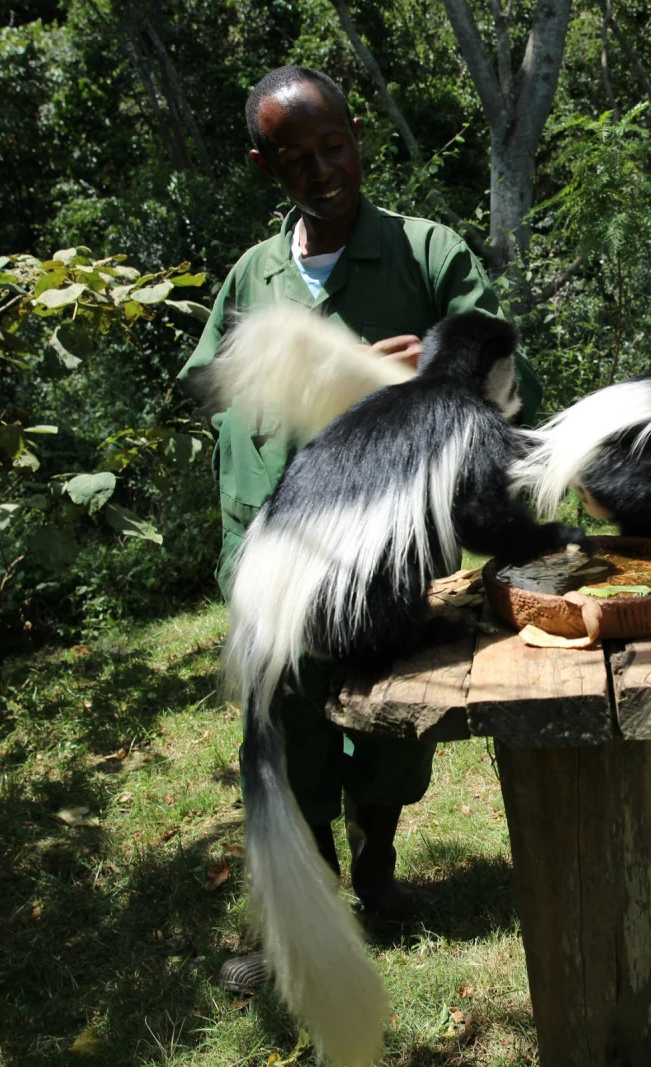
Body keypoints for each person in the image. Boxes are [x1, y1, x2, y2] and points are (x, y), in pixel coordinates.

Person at [176, 65, 538, 992]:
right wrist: (310, 381)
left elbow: (491, 363)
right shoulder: (255, 277)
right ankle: (305, 908)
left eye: (333, 144)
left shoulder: (422, 252)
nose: (322, 168)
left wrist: (423, 375)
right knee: (289, 746)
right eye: (296, 158)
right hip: (275, 549)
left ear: (358, 134)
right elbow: (204, 386)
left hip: (387, 561)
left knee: (388, 739)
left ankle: (378, 869)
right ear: (267, 167)